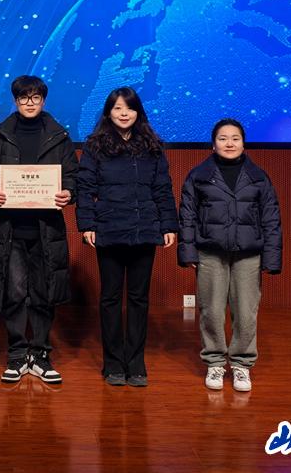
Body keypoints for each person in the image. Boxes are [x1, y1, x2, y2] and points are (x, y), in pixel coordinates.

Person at [76, 87, 178, 387]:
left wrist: (168, 225)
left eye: (129, 108)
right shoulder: (95, 146)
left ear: (138, 112)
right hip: (108, 229)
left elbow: (162, 188)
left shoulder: (152, 146)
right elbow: (85, 188)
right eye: (118, 108)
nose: (124, 113)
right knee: (110, 298)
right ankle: (112, 364)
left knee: (138, 299)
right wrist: (87, 224)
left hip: (144, 230)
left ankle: (135, 363)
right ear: (108, 112)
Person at [0, 75, 78, 384]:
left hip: (46, 229)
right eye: (23, 97)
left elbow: (73, 177)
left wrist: (68, 192)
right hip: (9, 229)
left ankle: (40, 354)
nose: (29, 103)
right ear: (15, 101)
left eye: (35, 97)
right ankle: (16, 354)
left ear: (43, 100)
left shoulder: (59, 136)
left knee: (43, 293)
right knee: (13, 293)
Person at [178, 118, 282, 392]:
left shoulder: (258, 177)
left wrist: (271, 258)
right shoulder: (198, 176)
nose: (229, 143)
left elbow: (271, 219)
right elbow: (187, 217)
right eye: (223, 138)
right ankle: (214, 362)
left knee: (246, 312)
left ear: (243, 143)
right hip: (210, 253)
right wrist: (188, 251)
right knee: (211, 311)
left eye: (235, 138)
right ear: (213, 144)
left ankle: (241, 365)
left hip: (249, 255)